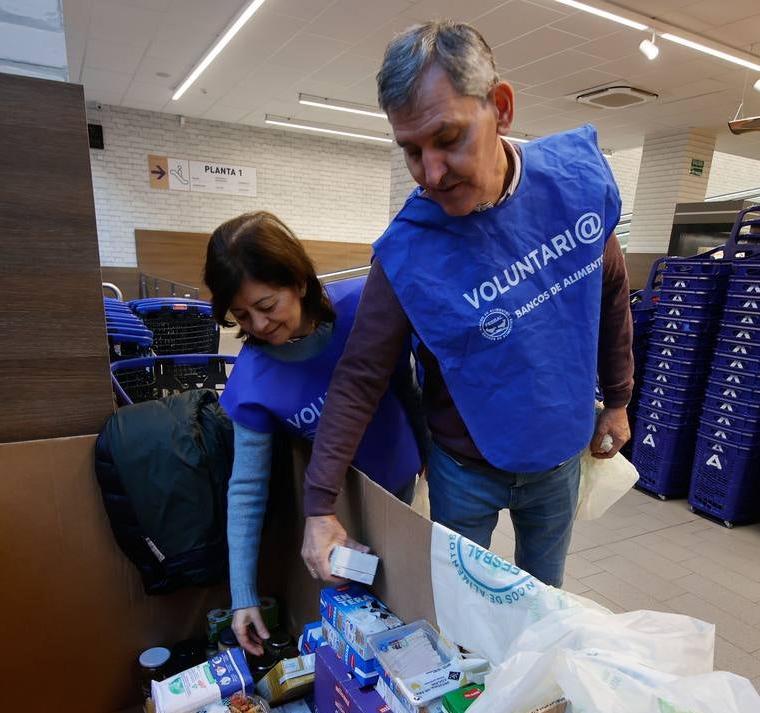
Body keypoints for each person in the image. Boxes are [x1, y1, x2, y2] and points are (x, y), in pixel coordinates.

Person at [299, 21, 632, 590]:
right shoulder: (409, 251)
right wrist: (318, 506)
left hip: (558, 455)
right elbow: (359, 377)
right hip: (463, 468)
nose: (431, 174)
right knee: (459, 606)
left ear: (500, 108)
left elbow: (611, 292)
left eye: (448, 138)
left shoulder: (573, 189)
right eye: (412, 151)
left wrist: (619, 400)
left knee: (542, 602)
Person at [207, 212, 424, 654]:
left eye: (267, 305)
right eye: (242, 315)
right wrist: (243, 596)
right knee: (362, 616)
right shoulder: (252, 380)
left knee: (411, 595)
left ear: (299, 282)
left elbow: (408, 387)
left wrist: (429, 458)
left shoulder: (363, 307)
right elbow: (246, 488)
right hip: (337, 513)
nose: (259, 325)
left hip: (404, 484)